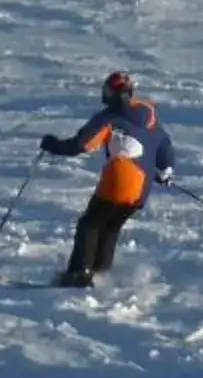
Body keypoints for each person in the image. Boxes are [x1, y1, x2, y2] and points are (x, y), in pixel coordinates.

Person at [41, 71, 174, 287]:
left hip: (119, 181)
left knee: (90, 224)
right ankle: (100, 271)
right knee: (110, 225)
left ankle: (79, 274)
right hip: (141, 189)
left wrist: (53, 145)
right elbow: (165, 146)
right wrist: (165, 171)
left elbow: (81, 145)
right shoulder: (149, 117)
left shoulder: (108, 118)